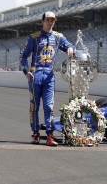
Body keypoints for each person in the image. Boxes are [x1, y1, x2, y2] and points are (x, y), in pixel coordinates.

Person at [20, 11, 74, 146]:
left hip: (49, 76)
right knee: (34, 106)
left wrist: (70, 49)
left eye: (53, 20)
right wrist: (26, 71)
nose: (50, 22)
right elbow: (23, 56)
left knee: (49, 106)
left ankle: (49, 135)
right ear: (42, 21)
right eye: (48, 20)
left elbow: (69, 46)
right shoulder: (34, 37)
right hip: (35, 76)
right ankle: (36, 133)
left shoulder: (58, 37)